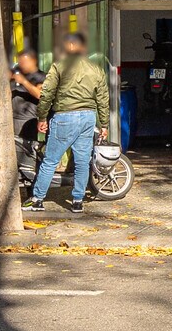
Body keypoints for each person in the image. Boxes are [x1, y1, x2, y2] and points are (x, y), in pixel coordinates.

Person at [29, 32, 109, 214]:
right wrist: (104, 124)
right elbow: (103, 99)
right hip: (88, 117)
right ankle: (77, 201)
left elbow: (47, 93)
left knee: (50, 160)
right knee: (82, 162)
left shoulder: (59, 66)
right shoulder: (96, 69)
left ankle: (37, 199)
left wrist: (42, 117)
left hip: (65, 116)